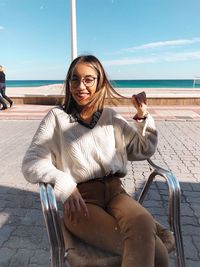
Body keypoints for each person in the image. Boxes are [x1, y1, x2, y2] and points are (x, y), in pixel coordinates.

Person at [22, 55, 174, 267]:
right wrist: (64, 183)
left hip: (116, 194)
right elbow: (31, 161)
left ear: (99, 82)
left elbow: (143, 149)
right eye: (75, 79)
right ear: (69, 83)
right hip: (81, 201)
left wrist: (143, 116)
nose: (80, 86)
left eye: (88, 79)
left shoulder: (110, 117)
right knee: (155, 254)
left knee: (143, 221)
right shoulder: (56, 118)